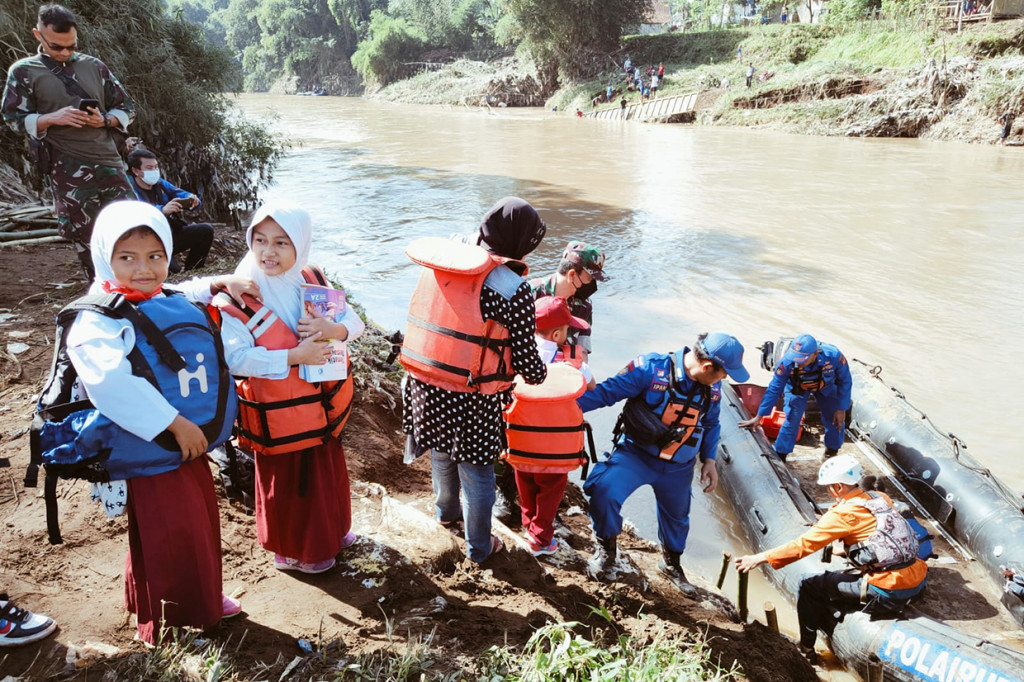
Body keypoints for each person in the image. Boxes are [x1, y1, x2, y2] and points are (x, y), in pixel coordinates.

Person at [65, 201, 241, 644]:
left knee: (193, 521)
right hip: (152, 443)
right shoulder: (97, 320)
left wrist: (218, 282)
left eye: (155, 256)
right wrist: (173, 423)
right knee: (173, 529)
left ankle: (175, 594)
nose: (143, 269)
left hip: (180, 441)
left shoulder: (155, 297)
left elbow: (184, 291)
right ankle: (175, 617)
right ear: (104, 256)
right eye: (127, 258)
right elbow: (109, 383)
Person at [211, 202, 365, 574]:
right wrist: (294, 356)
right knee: (290, 484)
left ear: (301, 245)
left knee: (325, 473)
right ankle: (295, 551)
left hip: (320, 408)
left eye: (282, 242)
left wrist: (335, 330)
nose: (269, 251)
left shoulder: (310, 277)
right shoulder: (236, 295)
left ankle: (333, 530)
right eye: (260, 240)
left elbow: (355, 323)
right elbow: (236, 359)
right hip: (281, 417)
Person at [400, 197, 548, 564]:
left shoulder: (445, 260)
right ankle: (480, 548)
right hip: (473, 395)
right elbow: (529, 363)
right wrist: (542, 374)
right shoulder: (512, 288)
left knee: (441, 451)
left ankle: (445, 515)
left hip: (425, 380)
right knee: (479, 473)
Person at [580, 333, 750, 598]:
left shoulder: (713, 389)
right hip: (636, 455)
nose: (724, 379)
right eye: (723, 373)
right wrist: (556, 407)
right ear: (707, 367)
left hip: (679, 466)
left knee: (678, 516)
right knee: (605, 491)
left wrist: (709, 460)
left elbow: (711, 423)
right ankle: (606, 553)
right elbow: (605, 393)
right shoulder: (650, 369)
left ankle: (671, 564)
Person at [734, 455, 927, 661]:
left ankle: (807, 649)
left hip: (887, 586)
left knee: (808, 585)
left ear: (838, 486)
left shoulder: (843, 514)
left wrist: (759, 558)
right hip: (917, 577)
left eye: (829, 487)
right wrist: (847, 548)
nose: (829, 491)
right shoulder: (880, 498)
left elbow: (803, 546)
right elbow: (880, 533)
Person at [2, 4, 136, 280]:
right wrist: (53, 118)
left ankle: (134, 284)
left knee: (128, 224)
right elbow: (12, 118)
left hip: (108, 160)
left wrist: (106, 120)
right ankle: (100, 287)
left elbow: (128, 107)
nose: (64, 53)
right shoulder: (23, 71)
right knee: (84, 233)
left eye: (70, 46)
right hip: (65, 165)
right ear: (37, 35)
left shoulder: (94, 66)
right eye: (56, 47)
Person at [505, 297, 594, 556]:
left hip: (521, 442)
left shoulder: (513, 354)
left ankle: (528, 526)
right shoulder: (575, 362)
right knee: (550, 492)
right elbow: (591, 386)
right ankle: (542, 539)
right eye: (567, 330)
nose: (569, 335)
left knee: (526, 483)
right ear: (557, 334)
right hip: (557, 448)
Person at [738, 334, 852, 461]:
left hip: (826, 386)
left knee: (835, 420)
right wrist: (760, 416)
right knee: (792, 418)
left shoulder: (834, 356)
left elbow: (845, 381)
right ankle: (781, 453)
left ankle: (831, 451)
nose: (797, 363)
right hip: (797, 387)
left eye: (802, 359)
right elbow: (774, 389)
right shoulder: (786, 363)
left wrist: (841, 409)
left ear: (815, 354)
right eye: (795, 358)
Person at [127, 148, 213, 273]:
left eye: (156, 167)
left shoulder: (160, 183)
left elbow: (177, 192)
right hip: (145, 242)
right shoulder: (127, 189)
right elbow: (134, 214)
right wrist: (162, 210)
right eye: (149, 167)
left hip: (169, 234)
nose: (155, 171)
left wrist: (192, 200)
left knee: (205, 230)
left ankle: (193, 269)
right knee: (172, 272)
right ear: (136, 170)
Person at [529, 241, 607, 361]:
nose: (592, 285)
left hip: (565, 373)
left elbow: (582, 352)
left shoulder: (584, 307)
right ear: (571, 275)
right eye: (589, 279)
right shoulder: (531, 294)